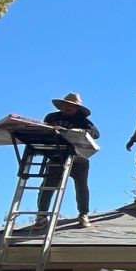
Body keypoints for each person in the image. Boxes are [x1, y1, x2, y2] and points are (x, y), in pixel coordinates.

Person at [40, 92, 99, 228]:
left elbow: (96, 133)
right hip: (56, 156)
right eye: (66, 105)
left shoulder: (82, 120)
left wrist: (77, 132)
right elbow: (43, 131)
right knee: (48, 185)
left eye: (71, 106)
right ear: (62, 106)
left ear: (77, 108)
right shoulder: (52, 117)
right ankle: (41, 216)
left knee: (81, 185)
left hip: (78, 157)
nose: (68, 108)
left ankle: (83, 214)